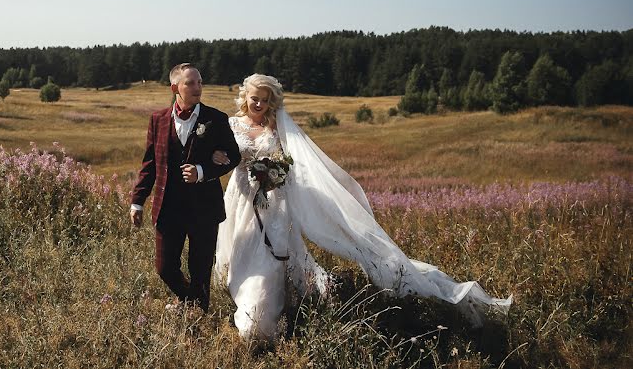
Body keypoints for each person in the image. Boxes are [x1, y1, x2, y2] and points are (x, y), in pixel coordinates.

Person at [213, 74, 512, 340]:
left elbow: (291, 165)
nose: (260, 104)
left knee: (271, 259)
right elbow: (223, 157)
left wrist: (274, 173)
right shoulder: (231, 124)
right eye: (255, 99)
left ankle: (264, 313)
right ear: (245, 98)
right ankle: (241, 295)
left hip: (273, 208)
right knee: (237, 254)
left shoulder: (277, 128)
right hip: (239, 200)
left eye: (265, 100)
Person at [130, 63, 241, 311]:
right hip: (168, 208)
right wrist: (137, 201)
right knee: (164, 267)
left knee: (200, 269)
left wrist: (202, 171)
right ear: (175, 88)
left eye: (200, 82)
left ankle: (198, 318)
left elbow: (234, 157)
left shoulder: (216, 119)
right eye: (190, 83)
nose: (197, 87)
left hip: (204, 208)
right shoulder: (157, 119)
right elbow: (150, 164)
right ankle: (189, 300)